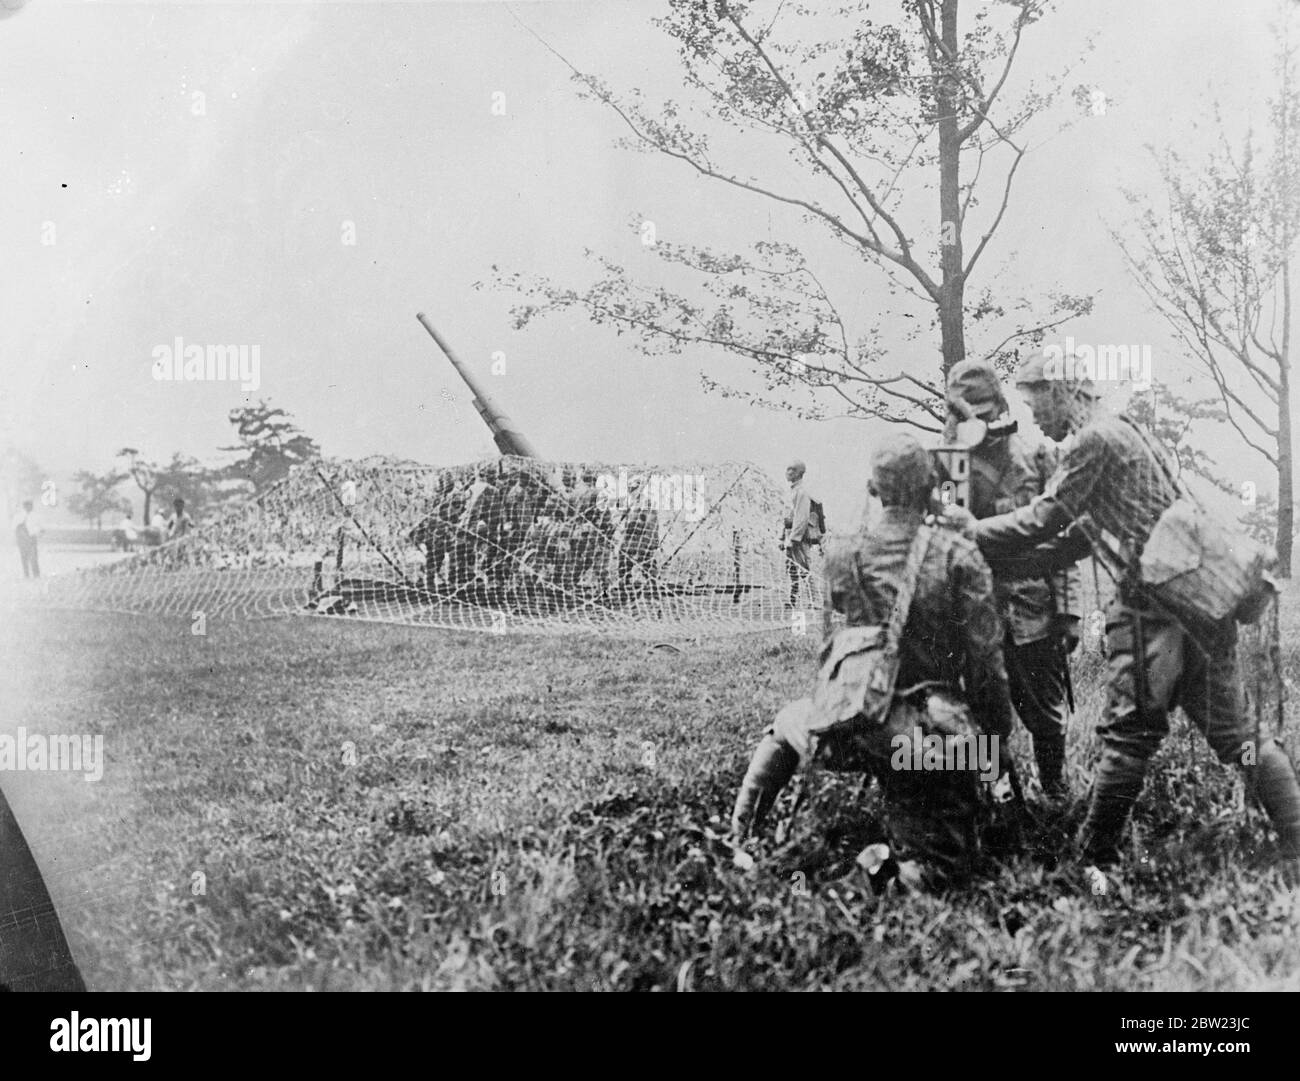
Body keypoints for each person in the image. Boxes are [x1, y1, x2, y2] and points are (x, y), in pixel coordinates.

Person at [948, 350, 1300, 886]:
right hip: (1201, 604)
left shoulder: (1091, 442)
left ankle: (1093, 857)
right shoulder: (1127, 430)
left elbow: (1045, 520)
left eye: (1035, 399)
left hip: (1151, 611)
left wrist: (967, 532)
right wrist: (996, 557)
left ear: (1062, 390)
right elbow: (1071, 542)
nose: (1035, 415)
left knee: (1129, 734)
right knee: (1239, 736)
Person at [732, 434, 1014, 890]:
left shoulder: (844, 556)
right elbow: (988, 670)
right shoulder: (957, 556)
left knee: (785, 723)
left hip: (844, 727)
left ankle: (742, 839)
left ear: (874, 489)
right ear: (931, 488)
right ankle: (870, 881)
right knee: (945, 867)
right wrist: (994, 746)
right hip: (922, 746)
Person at [945, 360, 1082, 798]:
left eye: (986, 410)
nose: (980, 421)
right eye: (969, 413)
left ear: (1001, 404)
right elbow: (943, 541)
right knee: (985, 711)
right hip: (977, 610)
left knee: (1045, 710)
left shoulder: (1037, 454)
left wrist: (1070, 611)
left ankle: (1055, 786)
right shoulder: (951, 465)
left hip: (1033, 606)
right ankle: (1001, 793)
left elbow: (1061, 538)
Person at [782, 460, 820, 608]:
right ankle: (792, 599)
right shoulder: (792, 491)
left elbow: (801, 517)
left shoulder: (802, 492)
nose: (788, 472)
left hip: (799, 537)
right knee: (791, 569)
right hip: (790, 535)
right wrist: (782, 537)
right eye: (787, 469)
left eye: (791, 470)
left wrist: (793, 539)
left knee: (804, 568)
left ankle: (814, 600)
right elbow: (788, 516)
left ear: (799, 473)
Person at [12, 499, 40, 578]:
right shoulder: (18, 516)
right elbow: (13, 527)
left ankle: (36, 574)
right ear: (24, 506)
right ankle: (26, 574)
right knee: (24, 557)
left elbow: (40, 527)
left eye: (30, 505)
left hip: (31, 539)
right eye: (27, 506)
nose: (29, 507)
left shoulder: (35, 516)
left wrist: (33, 532)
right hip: (22, 540)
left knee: (33, 557)